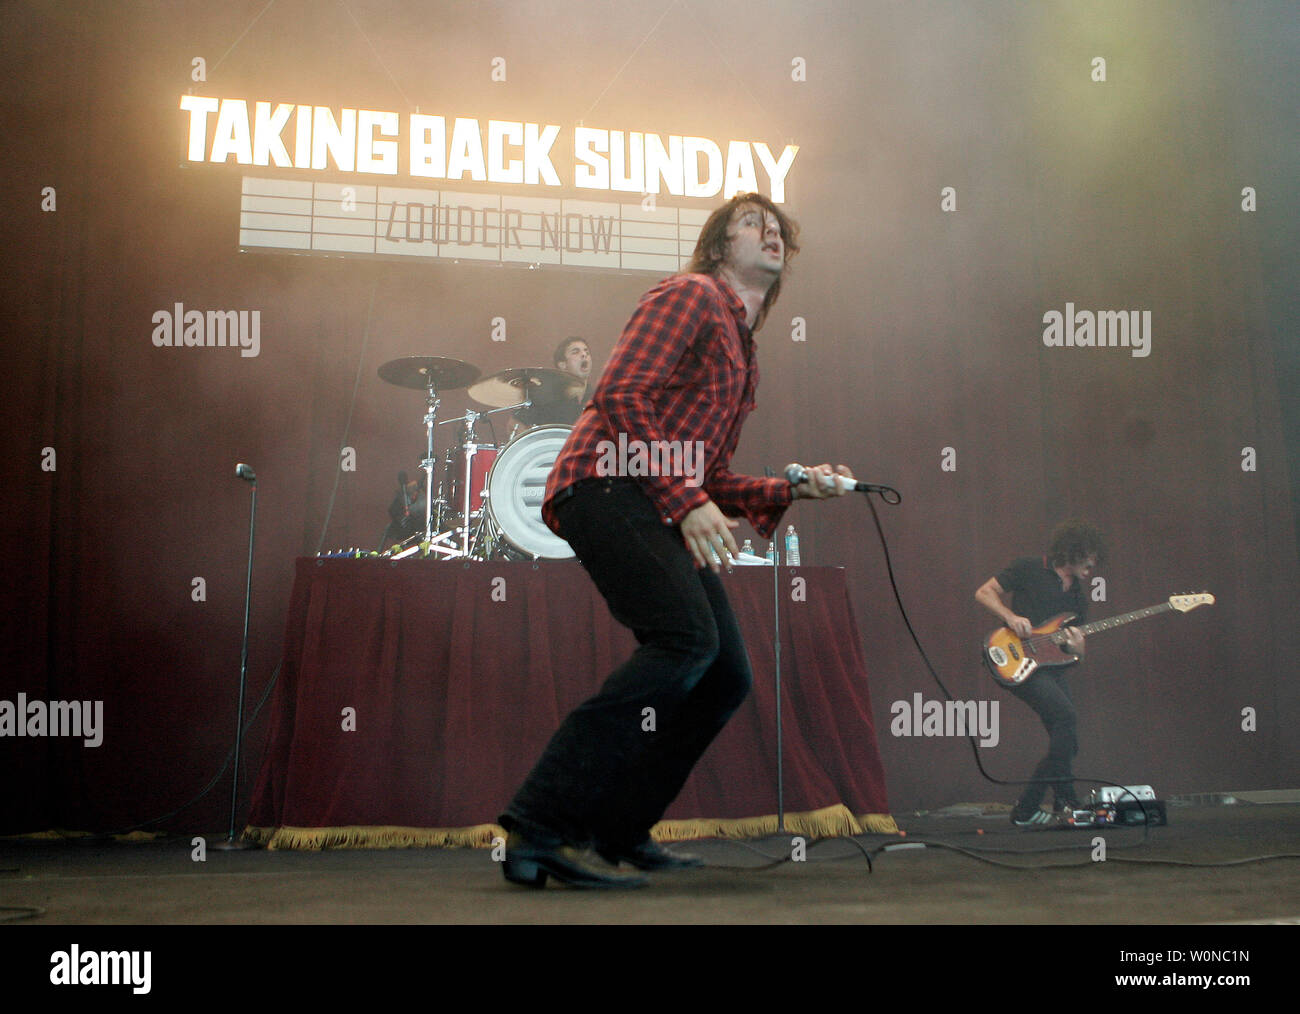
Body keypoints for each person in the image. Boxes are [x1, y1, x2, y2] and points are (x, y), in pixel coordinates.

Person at [498, 193, 855, 888]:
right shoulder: (689, 294)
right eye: (753, 224)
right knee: (687, 643)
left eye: (778, 228)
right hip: (604, 484)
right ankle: (539, 825)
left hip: (652, 497)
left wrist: (791, 489)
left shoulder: (745, 354)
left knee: (725, 675)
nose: (771, 234)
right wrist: (685, 497)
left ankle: (620, 829)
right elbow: (622, 395)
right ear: (720, 248)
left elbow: (711, 474)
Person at [974, 520, 1107, 826]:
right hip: (1018, 660)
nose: (1094, 563)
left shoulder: (1077, 597)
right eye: (1091, 555)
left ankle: (1063, 802)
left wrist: (1079, 650)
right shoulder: (1029, 568)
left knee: (1067, 739)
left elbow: (1074, 653)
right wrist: (1010, 616)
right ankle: (1030, 807)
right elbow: (983, 592)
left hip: (1051, 669)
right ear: (1075, 550)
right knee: (1065, 719)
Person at [515, 337, 592, 427]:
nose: (584, 354)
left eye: (587, 352)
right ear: (562, 365)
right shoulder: (548, 397)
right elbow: (515, 424)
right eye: (575, 352)